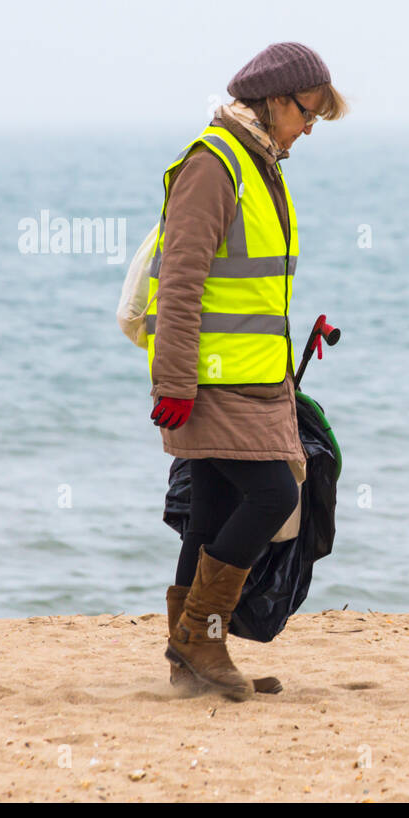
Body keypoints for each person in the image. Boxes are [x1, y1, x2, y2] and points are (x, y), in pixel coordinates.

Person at [147, 42, 347, 700]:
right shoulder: (216, 163)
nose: (310, 129)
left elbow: (253, 292)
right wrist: (174, 383)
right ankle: (203, 638)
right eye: (309, 114)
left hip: (256, 381)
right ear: (275, 101)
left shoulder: (260, 164)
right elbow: (180, 282)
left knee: (210, 514)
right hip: (211, 381)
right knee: (274, 495)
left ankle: (189, 664)